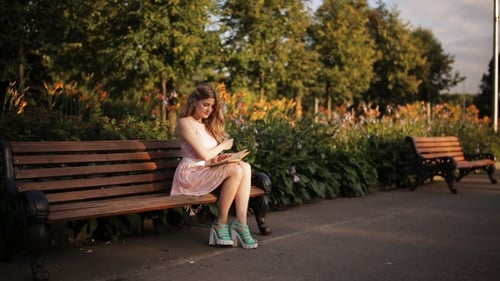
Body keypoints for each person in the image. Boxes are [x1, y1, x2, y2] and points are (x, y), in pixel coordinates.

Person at [170, 83, 258, 249]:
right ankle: (221, 224)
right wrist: (223, 147)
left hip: (204, 170)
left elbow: (209, 158)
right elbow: (202, 155)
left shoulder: (206, 125)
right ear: (194, 101)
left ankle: (241, 223)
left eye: (212, 106)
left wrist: (221, 158)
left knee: (244, 166)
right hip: (189, 174)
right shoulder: (185, 123)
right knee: (235, 169)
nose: (209, 110)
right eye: (205, 105)